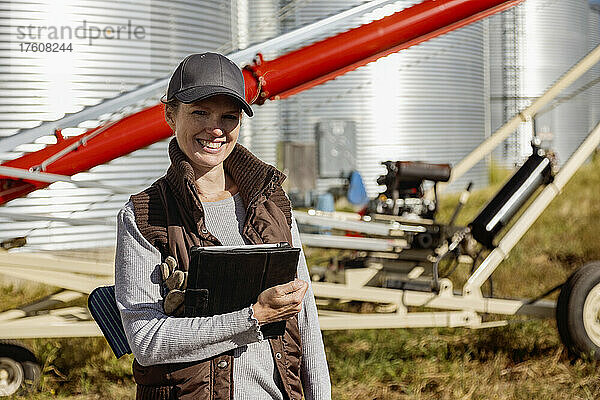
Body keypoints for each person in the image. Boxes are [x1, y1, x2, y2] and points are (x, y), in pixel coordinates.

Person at [114, 52, 331, 400]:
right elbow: (146, 342)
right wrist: (252, 318)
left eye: (228, 117)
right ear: (170, 115)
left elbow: (306, 320)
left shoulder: (271, 202)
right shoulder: (145, 214)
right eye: (199, 112)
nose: (215, 129)